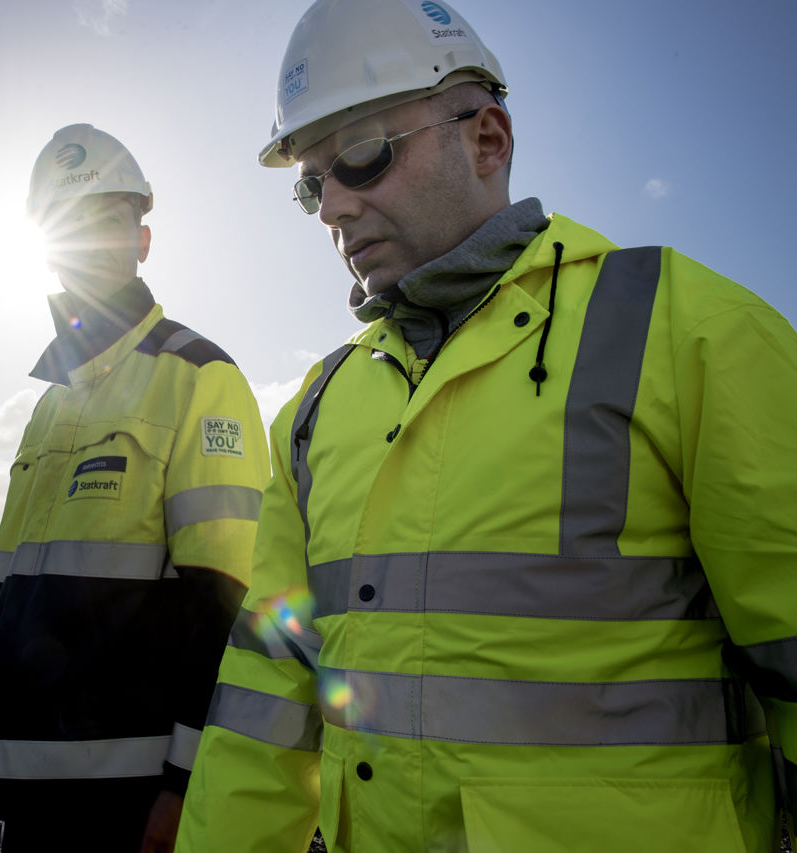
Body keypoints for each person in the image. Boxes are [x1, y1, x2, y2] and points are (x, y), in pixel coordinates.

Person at [176, 1, 797, 851]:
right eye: (312, 182)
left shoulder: (692, 334)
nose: (332, 208)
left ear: (487, 138)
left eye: (360, 155)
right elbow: (264, 701)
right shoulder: (317, 411)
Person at [0, 123, 269, 852]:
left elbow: (232, 603)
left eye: (106, 219)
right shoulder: (49, 403)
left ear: (143, 240)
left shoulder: (197, 378)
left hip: (128, 806)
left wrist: (186, 787)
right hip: (32, 800)